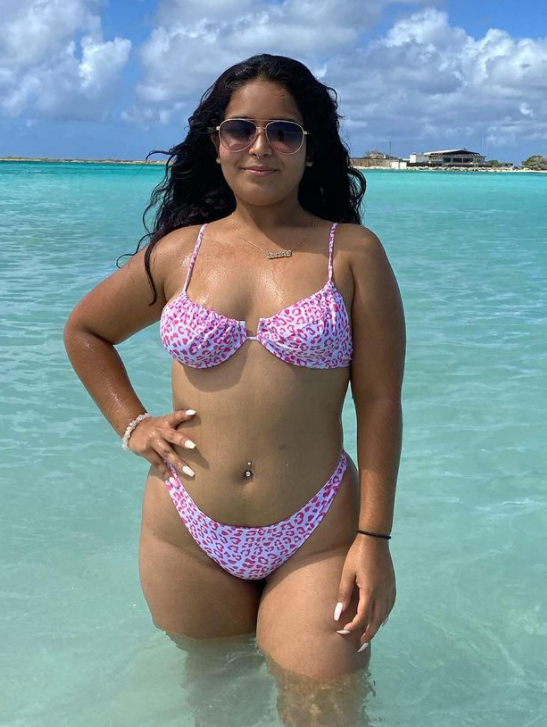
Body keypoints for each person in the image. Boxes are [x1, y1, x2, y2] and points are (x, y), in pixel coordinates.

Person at [64, 53, 406, 724]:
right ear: (215, 143)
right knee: (216, 700)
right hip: (184, 531)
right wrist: (133, 424)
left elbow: (380, 403)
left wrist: (374, 538)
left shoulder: (351, 253)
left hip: (316, 532)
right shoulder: (178, 252)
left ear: (310, 148)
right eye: (240, 128)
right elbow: (86, 331)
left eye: (284, 130)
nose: (260, 145)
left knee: (325, 707)